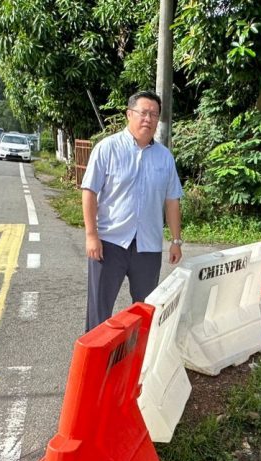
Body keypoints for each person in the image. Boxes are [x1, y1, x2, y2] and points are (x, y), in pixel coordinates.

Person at [81, 90, 184, 331]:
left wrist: (176, 240)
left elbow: (172, 201)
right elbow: (89, 191)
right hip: (109, 243)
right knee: (99, 310)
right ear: (129, 114)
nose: (148, 119)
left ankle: (139, 363)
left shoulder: (165, 157)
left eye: (154, 114)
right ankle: (96, 365)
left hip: (148, 247)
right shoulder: (107, 148)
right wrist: (91, 235)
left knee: (145, 311)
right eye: (143, 113)